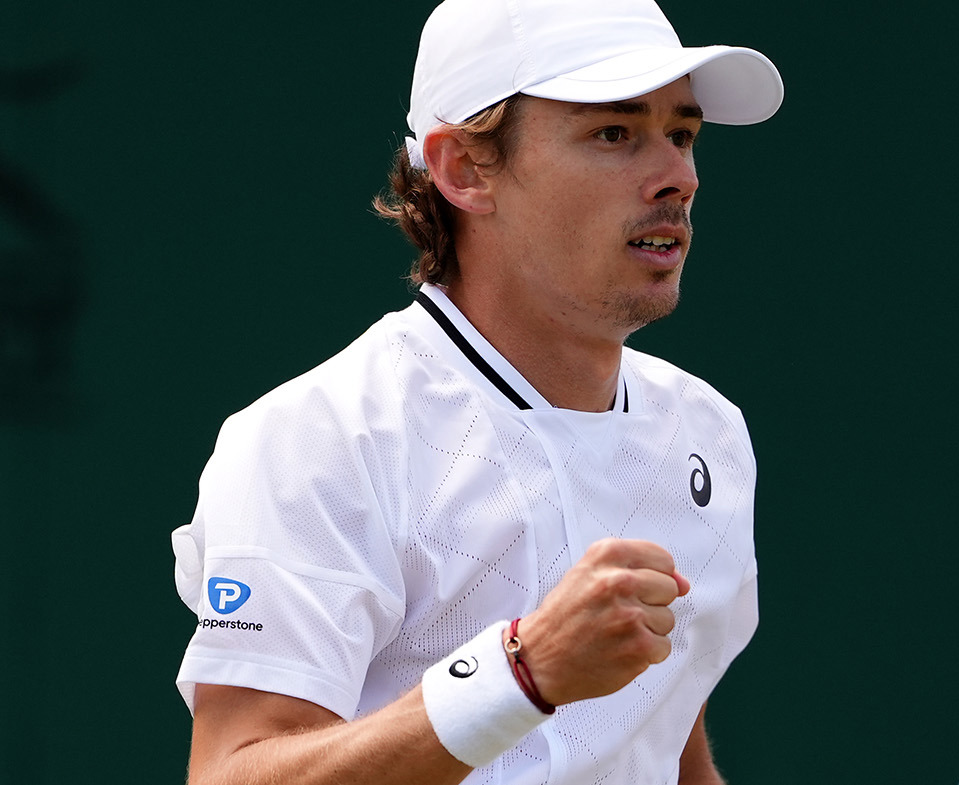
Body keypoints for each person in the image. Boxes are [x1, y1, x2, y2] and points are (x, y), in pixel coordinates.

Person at [170, 1, 783, 783]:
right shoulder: (316, 439)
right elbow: (231, 772)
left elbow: (659, 748)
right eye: (614, 133)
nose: (678, 176)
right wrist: (519, 675)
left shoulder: (708, 436)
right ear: (463, 169)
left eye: (682, 133)